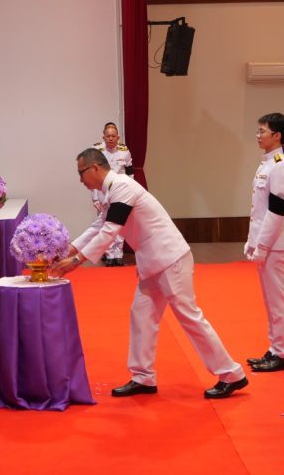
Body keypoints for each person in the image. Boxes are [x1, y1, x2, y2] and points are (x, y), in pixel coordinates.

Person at [50, 148, 248, 400]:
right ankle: (142, 376)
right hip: (153, 261)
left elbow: (110, 229)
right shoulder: (111, 190)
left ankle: (231, 374)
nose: (80, 180)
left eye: (81, 173)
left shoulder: (123, 186)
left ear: (95, 168)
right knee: (141, 316)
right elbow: (98, 226)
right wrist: (68, 249)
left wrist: (77, 260)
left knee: (190, 317)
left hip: (170, 258)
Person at [245, 112, 284, 373]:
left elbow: (276, 211)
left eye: (262, 131)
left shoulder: (280, 166)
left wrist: (262, 245)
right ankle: (274, 348)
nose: (258, 135)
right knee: (270, 300)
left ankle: (282, 352)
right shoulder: (267, 163)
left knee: (277, 300)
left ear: (277, 135)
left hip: (274, 244)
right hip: (266, 241)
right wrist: (252, 241)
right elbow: (259, 209)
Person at [91, 122, 133, 266]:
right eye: (108, 136)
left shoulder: (124, 151)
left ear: (118, 137)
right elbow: (93, 176)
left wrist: (130, 192)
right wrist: (94, 197)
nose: (110, 138)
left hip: (120, 192)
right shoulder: (97, 151)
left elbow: (130, 173)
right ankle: (109, 254)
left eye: (113, 136)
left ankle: (118, 254)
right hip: (102, 191)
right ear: (103, 137)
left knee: (119, 223)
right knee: (106, 224)